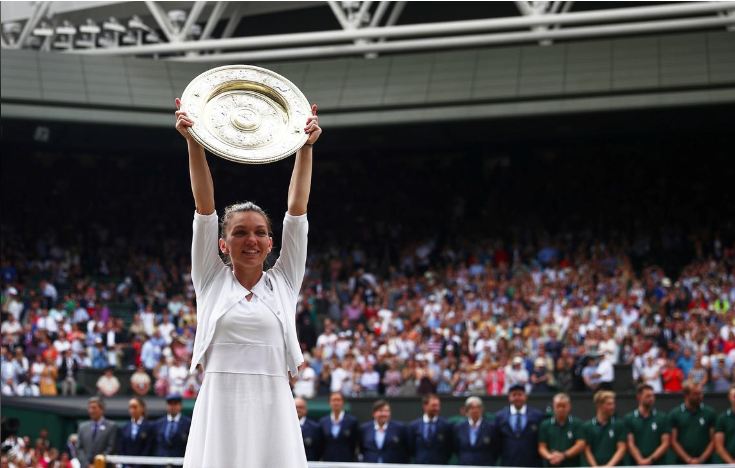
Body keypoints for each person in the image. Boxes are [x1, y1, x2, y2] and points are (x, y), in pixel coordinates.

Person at [175, 96, 321, 468]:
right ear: (223, 243)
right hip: (220, 402)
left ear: (271, 243)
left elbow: (297, 211)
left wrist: (304, 149)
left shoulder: (285, 282)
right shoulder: (210, 279)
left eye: (259, 233)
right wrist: (194, 142)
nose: (251, 240)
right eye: (240, 233)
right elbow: (204, 207)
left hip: (274, 399)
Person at [492, 383, 544, 467]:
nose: (517, 398)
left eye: (520, 394)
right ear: (509, 397)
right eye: (514, 395)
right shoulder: (500, 416)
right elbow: (496, 443)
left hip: (532, 463)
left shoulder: (537, 416)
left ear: (525, 396)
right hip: (508, 463)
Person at [669, 381, 716, 464]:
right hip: (681, 463)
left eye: (701, 393)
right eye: (696, 394)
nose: (700, 396)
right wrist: (688, 460)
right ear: (686, 395)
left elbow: (713, 440)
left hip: (706, 463)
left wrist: (701, 459)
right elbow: (673, 440)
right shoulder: (675, 414)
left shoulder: (710, 413)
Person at [624, 384, 670, 465]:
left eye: (652, 396)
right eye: (648, 396)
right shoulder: (629, 418)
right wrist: (640, 460)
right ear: (639, 397)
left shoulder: (662, 417)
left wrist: (650, 460)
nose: (651, 398)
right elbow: (630, 443)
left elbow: (665, 442)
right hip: (636, 464)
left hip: (658, 464)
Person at [538, 393, 585, 467]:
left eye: (564, 406)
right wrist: (550, 457)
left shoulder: (577, 423)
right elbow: (541, 447)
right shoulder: (545, 425)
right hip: (551, 464)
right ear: (553, 406)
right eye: (558, 406)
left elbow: (580, 444)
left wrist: (563, 455)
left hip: (572, 465)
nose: (561, 409)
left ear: (569, 406)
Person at [582, 390, 626, 466]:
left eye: (613, 404)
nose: (612, 407)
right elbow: (587, 450)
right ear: (599, 405)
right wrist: (595, 467)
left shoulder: (619, 425)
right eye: (609, 404)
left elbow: (622, 448)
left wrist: (608, 466)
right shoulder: (587, 426)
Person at [408, 393, 453, 464]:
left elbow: (449, 448)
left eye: (438, 406)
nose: (437, 408)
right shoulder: (414, 425)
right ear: (425, 406)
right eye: (434, 406)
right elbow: (411, 448)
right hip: (420, 464)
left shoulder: (446, 425)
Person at [77, 397, 118, 468]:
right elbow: (79, 449)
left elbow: (111, 448)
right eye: (89, 408)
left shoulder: (111, 426)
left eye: (94, 408)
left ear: (102, 409)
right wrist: (87, 465)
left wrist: (98, 464)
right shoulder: (82, 427)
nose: (91, 411)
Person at [453, 396, 495, 465]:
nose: (475, 410)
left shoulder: (490, 427)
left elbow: (495, 449)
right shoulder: (459, 427)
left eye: (478, 407)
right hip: (464, 464)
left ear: (482, 410)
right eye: (472, 408)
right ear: (466, 410)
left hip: (485, 465)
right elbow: (455, 448)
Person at [319, 392, 359, 461]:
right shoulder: (323, 421)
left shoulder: (352, 421)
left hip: (346, 461)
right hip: (327, 461)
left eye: (338, 400)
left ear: (343, 402)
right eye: (333, 400)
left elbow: (354, 443)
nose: (336, 403)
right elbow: (321, 443)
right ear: (329, 403)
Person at [117, 397, 155, 468]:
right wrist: (126, 465)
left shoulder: (149, 427)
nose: (132, 410)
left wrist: (138, 466)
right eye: (130, 407)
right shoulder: (124, 428)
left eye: (135, 407)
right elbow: (121, 449)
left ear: (142, 408)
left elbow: (148, 449)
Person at [154, 394, 192, 460]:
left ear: (180, 406)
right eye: (170, 404)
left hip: (180, 462)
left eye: (175, 404)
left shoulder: (188, 423)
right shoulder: (158, 423)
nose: (172, 407)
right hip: (161, 463)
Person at [295, 397, 323, 462]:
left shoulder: (315, 427)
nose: (298, 409)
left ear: (306, 409)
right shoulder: (287, 426)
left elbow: (319, 449)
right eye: (296, 407)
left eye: (301, 407)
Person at [714, 383, 735, 463]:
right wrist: (732, 463)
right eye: (734, 396)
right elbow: (719, 446)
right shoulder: (722, 418)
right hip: (728, 463)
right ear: (729, 397)